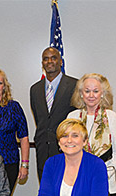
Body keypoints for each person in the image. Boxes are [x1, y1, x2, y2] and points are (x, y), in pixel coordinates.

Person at [67, 73, 116, 196]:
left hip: (109, 181)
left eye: (96, 91)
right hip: (79, 181)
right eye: (87, 91)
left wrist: (103, 174)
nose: (91, 95)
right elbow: (67, 150)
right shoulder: (72, 117)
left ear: (103, 93)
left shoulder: (111, 117)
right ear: (81, 94)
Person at [37, 119, 108, 196]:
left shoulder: (97, 165)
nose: (69, 140)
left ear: (84, 141)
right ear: (59, 142)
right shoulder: (51, 163)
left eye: (75, 136)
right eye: (64, 136)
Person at [30, 47, 77, 181]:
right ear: (42, 63)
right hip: (43, 151)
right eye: (45, 59)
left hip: (67, 150)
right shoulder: (35, 89)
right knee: (46, 194)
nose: (49, 61)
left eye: (53, 58)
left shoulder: (75, 85)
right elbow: (40, 120)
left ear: (61, 62)